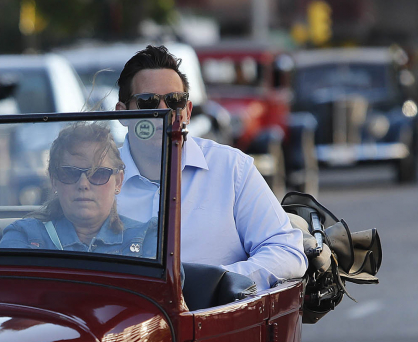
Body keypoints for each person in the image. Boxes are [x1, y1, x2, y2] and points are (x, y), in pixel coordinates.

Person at [114, 45, 307, 292]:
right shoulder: (93, 177)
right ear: (121, 114)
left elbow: (287, 251)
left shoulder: (232, 168)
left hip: (214, 324)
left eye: (175, 101)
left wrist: (216, 283)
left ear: (188, 111)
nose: (164, 112)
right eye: (148, 102)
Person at [0, 122, 155, 256]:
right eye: (69, 173)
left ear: (119, 182)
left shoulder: (148, 238)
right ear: (54, 180)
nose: (83, 184)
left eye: (98, 174)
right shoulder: (23, 237)